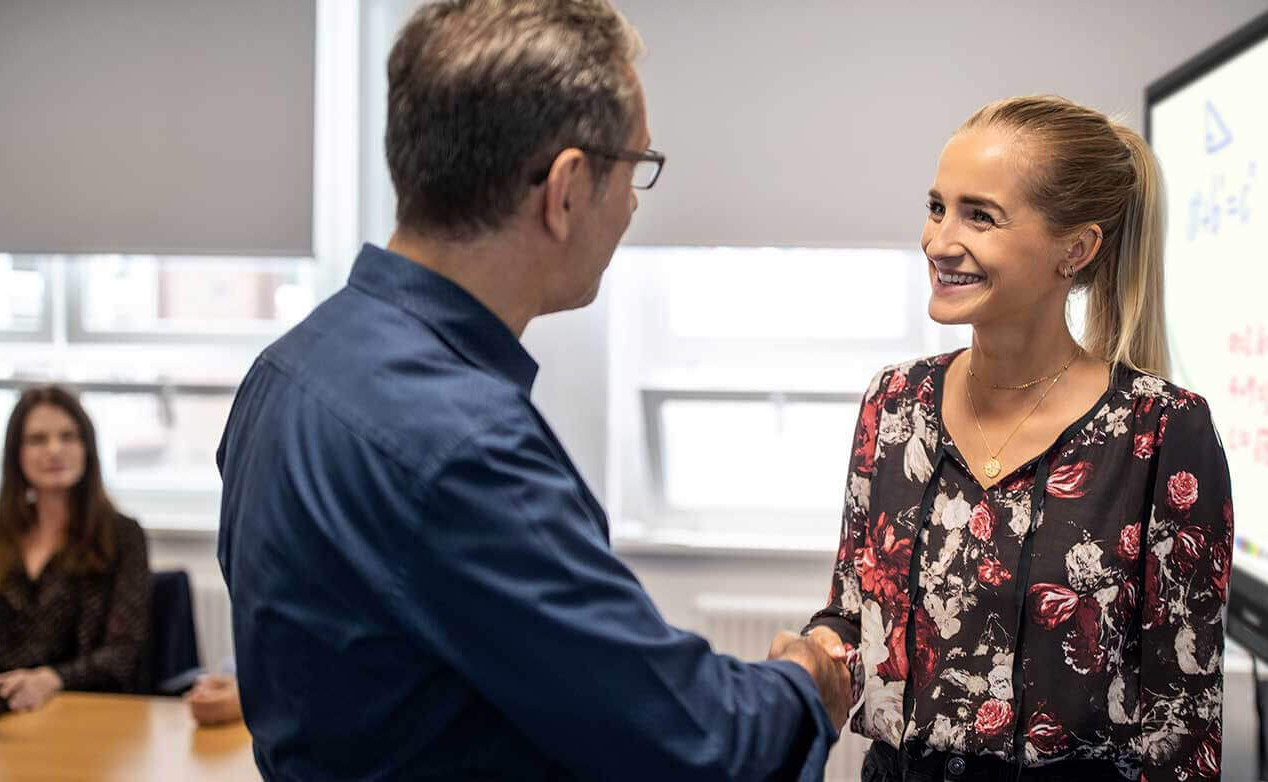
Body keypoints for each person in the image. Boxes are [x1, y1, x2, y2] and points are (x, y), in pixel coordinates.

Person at [215, 1, 849, 779]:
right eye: (635, 166)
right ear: (568, 188)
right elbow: (697, 744)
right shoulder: (463, 445)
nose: (634, 203)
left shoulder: (285, 370)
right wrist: (804, 684)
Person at [804, 96, 1234, 782]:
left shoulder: (1159, 429)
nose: (939, 241)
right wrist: (812, 655)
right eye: (936, 207)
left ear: (1076, 249)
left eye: (980, 215)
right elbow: (854, 612)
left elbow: (1180, 719)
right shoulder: (894, 403)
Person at [0, 386, 150, 713]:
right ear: (16, 454)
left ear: (86, 448)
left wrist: (52, 679)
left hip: (84, 712)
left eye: (68, 437)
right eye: (37, 440)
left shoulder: (122, 535)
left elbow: (124, 654)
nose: (54, 450)